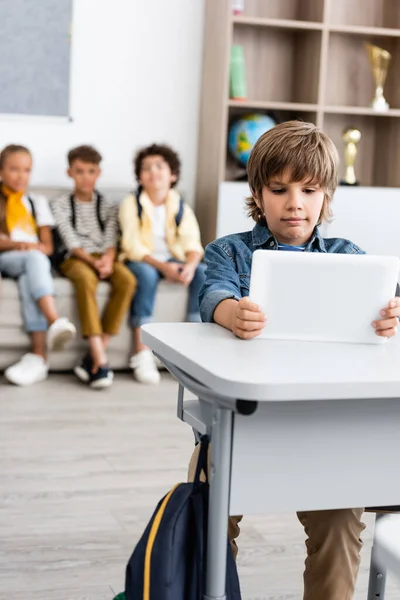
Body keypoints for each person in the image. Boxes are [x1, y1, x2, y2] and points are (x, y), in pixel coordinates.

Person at [189, 121, 400, 600]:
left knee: (342, 524)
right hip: (243, 423)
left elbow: (389, 303)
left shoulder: (352, 258)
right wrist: (230, 312)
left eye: (309, 190)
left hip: (325, 424)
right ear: (258, 194)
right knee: (207, 513)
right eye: (279, 189)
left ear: (326, 196)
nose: (295, 203)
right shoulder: (231, 251)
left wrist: (391, 318)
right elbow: (213, 295)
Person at [119, 144, 206, 385]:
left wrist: (187, 266)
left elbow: (192, 242)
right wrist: (164, 268)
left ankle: (193, 345)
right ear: (139, 177)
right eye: (146, 168)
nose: (153, 172)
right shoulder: (131, 203)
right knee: (145, 277)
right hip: (143, 260)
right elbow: (132, 246)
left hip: (171, 259)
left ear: (173, 175)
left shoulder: (179, 205)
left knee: (202, 272)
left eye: (159, 166)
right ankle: (141, 353)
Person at [52, 145, 136, 389]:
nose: (85, 177)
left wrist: (108, 260)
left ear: (98, 173)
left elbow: (111, 237)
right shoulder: (61, 204)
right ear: (69, 173)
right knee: (86, 279)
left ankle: (94, 355)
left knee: (127, 280)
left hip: (105, 256)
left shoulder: (108, 205)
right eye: (79, 171)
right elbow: (71, 241)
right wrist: (93, 262)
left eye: (90, 171)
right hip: (77, 258)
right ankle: (100, 357)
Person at [0, 144, 76, 386]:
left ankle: (38, 357)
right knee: (34, 259)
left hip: (32, 263)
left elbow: (47, 246)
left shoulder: (36, 202)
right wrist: (18, 245)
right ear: (1, 170)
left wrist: (33, 248)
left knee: (29, 277)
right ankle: (54, 320)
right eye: (14, 169)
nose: (21, 176)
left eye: (26, 170)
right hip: (7, 258)